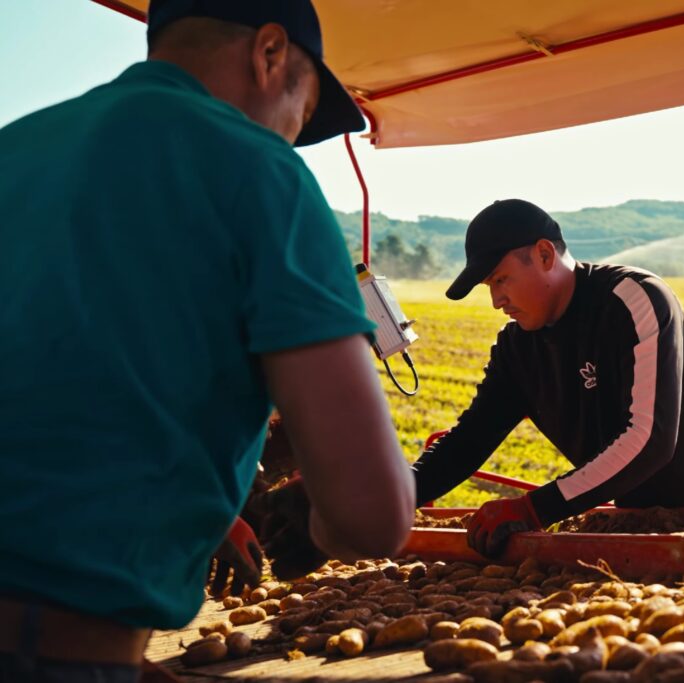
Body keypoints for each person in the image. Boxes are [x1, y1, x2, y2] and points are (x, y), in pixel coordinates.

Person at [0, 0, 415, 678]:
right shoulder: (261, 171)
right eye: (301, 115)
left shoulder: (15, 146)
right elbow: (374, 514)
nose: (288, 138)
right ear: (269, 53)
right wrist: (316, 528)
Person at [411, 199, 684, 557]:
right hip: (639, 523)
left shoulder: (634, 299)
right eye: (490, 286)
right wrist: (397, 493)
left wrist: (534, 508)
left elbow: (649, 439)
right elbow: (469, 440)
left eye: (500, 280)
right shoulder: (517, 348)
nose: (496, 300)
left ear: (545, 255)